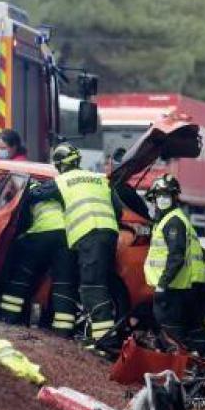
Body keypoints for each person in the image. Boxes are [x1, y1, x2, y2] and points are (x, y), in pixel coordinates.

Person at [25, 143, 121, 341]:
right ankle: (104, 338)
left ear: (59, 165)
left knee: (92, 287)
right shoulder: (99, 179)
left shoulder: (63, 180)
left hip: (88, 233)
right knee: (100, 283)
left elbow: (36, 194)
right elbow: (118, 208)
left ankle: (105, 341)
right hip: (109, 233)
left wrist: (32, 185)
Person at [0, 177, 76, 326]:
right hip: (67, 237)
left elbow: (21, 221)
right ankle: (63, 330)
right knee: (64, 283)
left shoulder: (29, 191)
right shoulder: (58, 192)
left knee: (21, 277)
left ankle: (7, 318)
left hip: (41, 233)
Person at [142, 175, 205, 350]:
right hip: (176, 286)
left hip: (173, 288)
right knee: (182, 331)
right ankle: (190, 365)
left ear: (174, 197)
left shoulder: (173, 222)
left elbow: (176, 256)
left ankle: (179, 368)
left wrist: (163, 284)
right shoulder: (167, 220)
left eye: (166, 195)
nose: (162, 199)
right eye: (159, 196)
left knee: (171, 332)